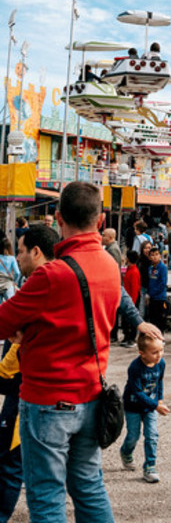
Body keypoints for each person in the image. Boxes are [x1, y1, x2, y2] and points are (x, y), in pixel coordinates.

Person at [0, 182, 121, 521]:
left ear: (57, 218)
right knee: (89, 486)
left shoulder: (52, 274)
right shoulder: (111, 267)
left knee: (46, 495)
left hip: (48, 399)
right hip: (91, 395)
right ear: (99, 220)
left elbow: (3, 322)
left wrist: (26, 330)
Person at [0, 223, 59, 522]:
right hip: (66, 397)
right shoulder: (69, 281)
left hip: (30, 394)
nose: (18, 258)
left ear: (36, 252)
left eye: (21, 252)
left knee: (14, 467)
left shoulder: (40, 286)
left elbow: (6, 330)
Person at [120, 333, 170, 483]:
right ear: (142, 353)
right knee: (133, 436)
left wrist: (159, 399)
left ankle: (150, 466)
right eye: (154, 352)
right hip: (133, 406)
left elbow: (159, 381)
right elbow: (137, 392)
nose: (159, 355)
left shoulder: (160, 363)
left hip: (151, 407)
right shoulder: (135, 367)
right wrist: (156, 405)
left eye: (161, 350)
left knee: (152, 435)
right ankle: (126, 452)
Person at [146, 248, 169, 334]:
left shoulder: (162, 268)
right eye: (152, 255)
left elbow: (163, 283)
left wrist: (154, 292)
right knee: (152, 319)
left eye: (156, 254)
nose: (155, 257)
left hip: (160, 298)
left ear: (160, 256)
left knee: (160, 320)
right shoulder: (150, 268)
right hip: (152, 298)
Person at [122, 250, 141, 347]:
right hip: (129, 297)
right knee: (126, 320)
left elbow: (134, 289)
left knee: (131, 321)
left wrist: (132, 302)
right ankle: (127, 337)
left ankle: (132, 338)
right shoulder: (129, 269)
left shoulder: (133, 271)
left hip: (132, 298)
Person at [0, 239, 20, 305]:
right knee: (12, 305)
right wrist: (15, 282)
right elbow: (17, 273)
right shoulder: (12, 258)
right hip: (8, 285)